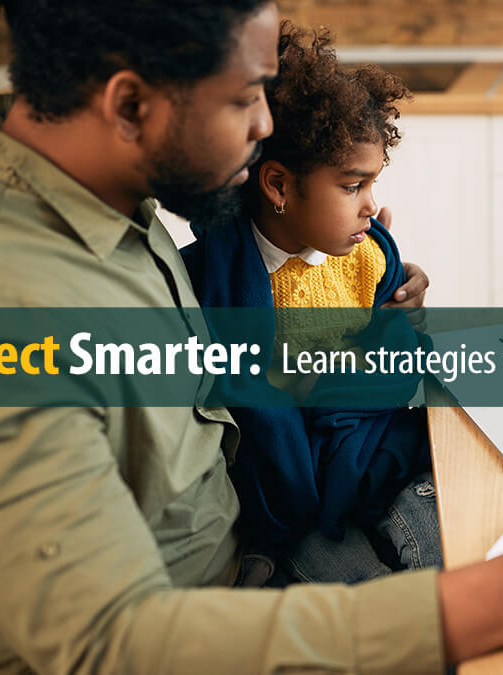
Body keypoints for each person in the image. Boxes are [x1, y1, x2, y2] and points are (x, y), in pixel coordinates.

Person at [0, 2, 503, 673]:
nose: (263, 126)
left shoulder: (98, 199)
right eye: (247, 96)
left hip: (249, 559)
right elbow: (117, 644)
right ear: (131, 104)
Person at [181, 22, 440, 584]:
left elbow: (396, 351)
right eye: (352, 187)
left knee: (451, 549)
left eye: (372, 185)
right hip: (296, 508)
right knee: (370, 603)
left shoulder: (366, 256)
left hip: (375, 462)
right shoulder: (214, 283)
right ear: (277, 186)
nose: (371, 206)